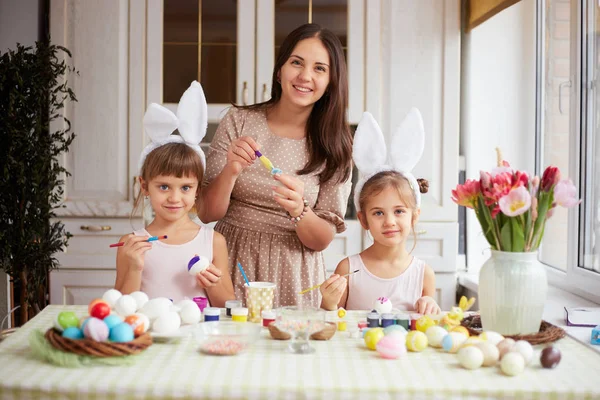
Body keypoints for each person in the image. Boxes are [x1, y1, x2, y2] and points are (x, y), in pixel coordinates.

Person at [198, 24, 353, 308]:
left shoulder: (336, 146)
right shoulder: (239, 120)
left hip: (295, 272)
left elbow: (322, 239)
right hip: (230, 259)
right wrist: (231, 170)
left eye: (320, 68)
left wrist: (299, 210)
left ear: (332, 81)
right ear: (280, 70)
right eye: (296, 62)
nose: (305, 76)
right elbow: (207, 213)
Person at [115, 81, 235, 307]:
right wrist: (134, 267)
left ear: (198, 189)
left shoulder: (213, 241)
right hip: (150, 339)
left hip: (198, 339)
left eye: (185, 188)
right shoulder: (130, 245)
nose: (174, 198)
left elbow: (227, 306)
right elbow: (119, 309)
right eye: (163, 187)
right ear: (144, 186)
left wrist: (212, 283)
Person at [320, 110, 441, 315]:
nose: (389, 221)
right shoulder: (347, 269)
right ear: (363, 219)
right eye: (378, 213)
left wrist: (430, 306)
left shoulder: (423, 274)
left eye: (399, 211)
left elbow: (427, 326)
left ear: (415, 216)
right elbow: (329, 321)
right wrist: (328, 303)